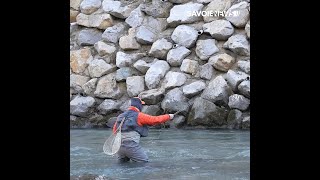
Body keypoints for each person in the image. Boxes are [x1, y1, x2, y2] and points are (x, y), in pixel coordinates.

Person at [112, 97, 175, 162]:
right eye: (141, 104)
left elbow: (114, 131)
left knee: (123, 165)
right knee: (144, 163)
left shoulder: (120, 116)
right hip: (131, 146)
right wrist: (168, 116)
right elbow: (155, 120)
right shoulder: (139, 116)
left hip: (119, 147)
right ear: (139, 105)